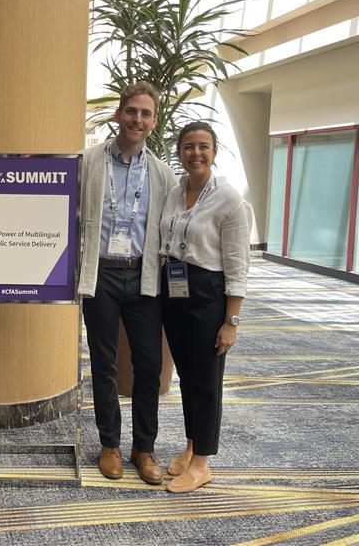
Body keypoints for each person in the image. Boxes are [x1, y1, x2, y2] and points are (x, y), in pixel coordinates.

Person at [78, 82, 178, 483]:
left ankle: (144, 448)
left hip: (143, 278)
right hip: (101, 273)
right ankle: (110, 445)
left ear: (153, 122)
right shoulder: (88, 162)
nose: (137, 118)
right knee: (102, 363)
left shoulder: (162, 173)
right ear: (119, 115)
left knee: (149, 365)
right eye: (131, 111)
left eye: (146, 113)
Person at [159, 121, 252, 493]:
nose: (195, 153)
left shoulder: (228, 199)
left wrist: (231, 320)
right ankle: (191, 446)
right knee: (188, 377)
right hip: (175, 290)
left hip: (209, 292)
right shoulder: (175, 191)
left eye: (203, 146)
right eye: (188, 147)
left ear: (214, 151)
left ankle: (202, 464)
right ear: (179, 152)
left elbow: (238, 264)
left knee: (207, 381)